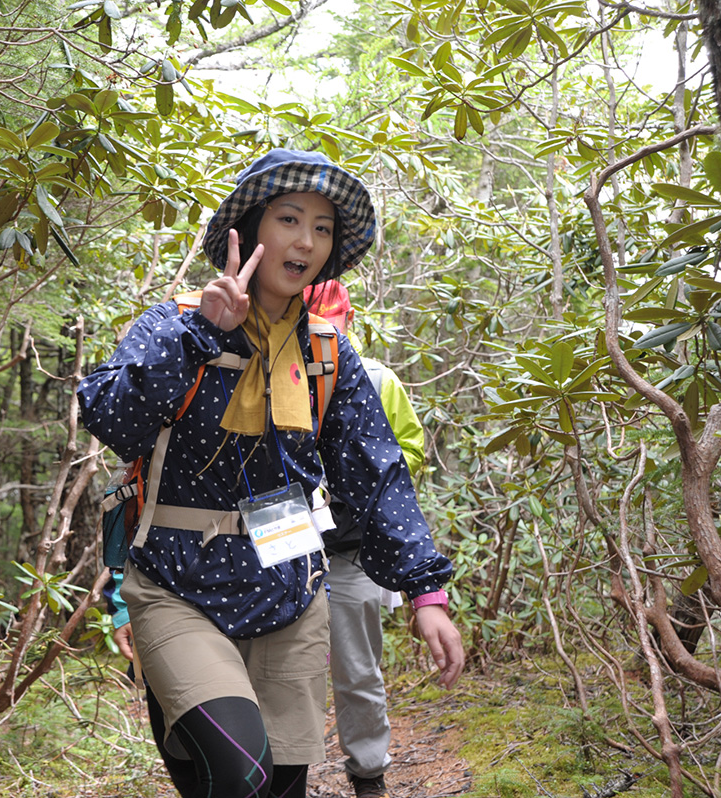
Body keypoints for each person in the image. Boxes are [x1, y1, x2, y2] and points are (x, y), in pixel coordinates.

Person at [79, 148, 465, 798]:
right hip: (178, 582)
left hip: (290, 591)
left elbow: (377, 473)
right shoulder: (175, 322)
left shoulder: (327, 350)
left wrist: (426, 593)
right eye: (289, 219)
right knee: (241, 773)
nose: (306, 241)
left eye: (322, 228)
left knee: (280, 786)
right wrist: (203, 333)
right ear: (249, 227)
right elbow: (110, 416)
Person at [305, 280, 426, 798]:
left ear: (349, 322)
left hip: (352, 550)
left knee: (357, 668)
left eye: (332, 325)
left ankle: (369, 773)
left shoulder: (376, 378)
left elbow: (410, 452)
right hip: (285, 549)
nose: (323, 336)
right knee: (284, 670)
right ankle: (284, 773)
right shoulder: (273, 374)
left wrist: (356, 478)